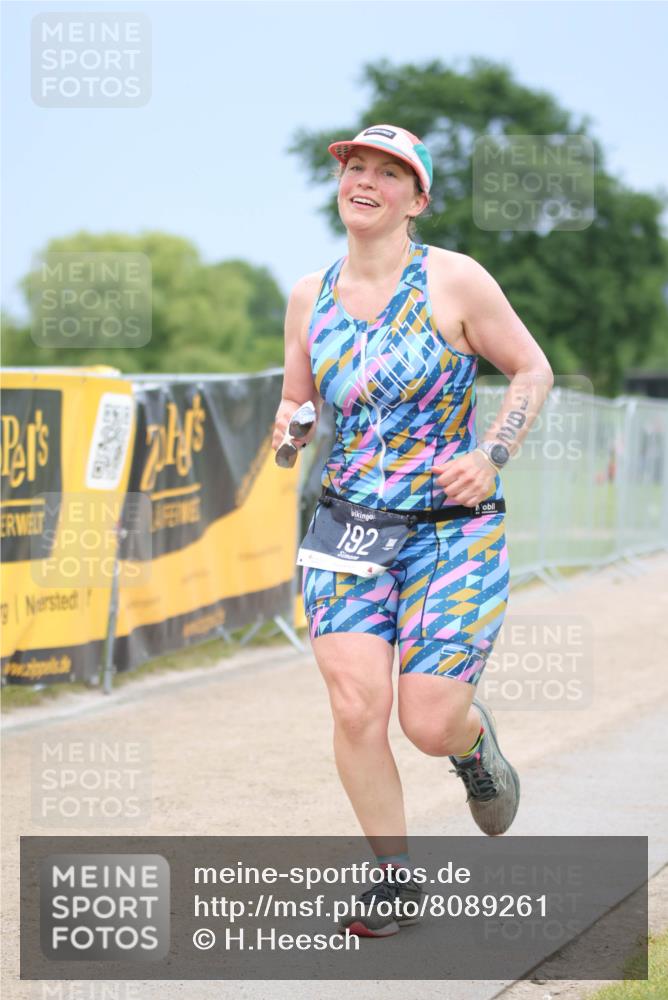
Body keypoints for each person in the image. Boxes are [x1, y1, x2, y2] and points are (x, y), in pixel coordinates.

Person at [272, 124, 553, 938]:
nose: (365, 181)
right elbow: (299, 403)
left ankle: (472, 746)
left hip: (450, 531)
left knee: (425, 722)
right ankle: (393, 880)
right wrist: (290, 431)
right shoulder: (308, 296)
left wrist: (492, 456)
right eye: (355, 167)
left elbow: (529, 369)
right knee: (356, 705)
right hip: (348, 529)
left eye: (388, 174)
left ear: (417, 200)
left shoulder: (455, 281)